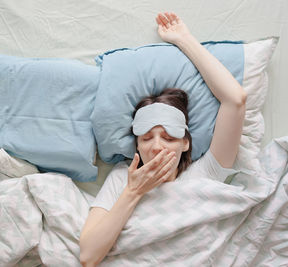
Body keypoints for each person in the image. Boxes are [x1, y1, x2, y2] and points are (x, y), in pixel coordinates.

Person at [79, 12, 247, 266]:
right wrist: (134, 191)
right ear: (137, 144)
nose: (156, 147)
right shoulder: (122, 179)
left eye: (168, 138)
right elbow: (88, 256)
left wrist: (184, 39)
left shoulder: (207, 172)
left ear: (185, 143)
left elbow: (235, 100)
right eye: (147, 138)